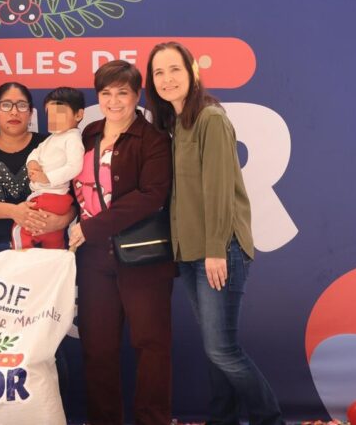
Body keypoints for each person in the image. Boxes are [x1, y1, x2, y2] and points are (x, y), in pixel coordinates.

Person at [145, 41, 284, 425]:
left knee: (223, 350)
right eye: (158, 73)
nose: (167, 79)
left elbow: (219, 191)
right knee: (214, 350)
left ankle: (270, 419)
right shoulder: (173, 125)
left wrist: (216, 250)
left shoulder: (210, 119)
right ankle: (222, 419)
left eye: (174, 69)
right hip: (190, 252)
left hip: (220, 250)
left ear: (193, 72)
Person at [67, 60, 175, 425]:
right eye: (106, 93)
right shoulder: (88, 134)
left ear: (137, 95)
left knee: (151, 345)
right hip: (94, 259)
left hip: (143, 257)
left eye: (122, 93)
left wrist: (93, 227)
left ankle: (153, 420)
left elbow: (152, 195)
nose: (113, 101)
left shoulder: (153, 138)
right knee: (98, 348)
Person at [0, 82, 74, 257]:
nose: (14, 112)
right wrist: (14, 212)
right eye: (6, 105)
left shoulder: (50, 145)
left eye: (21, 105)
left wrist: (61, 221)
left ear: (31, 113)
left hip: (46, 247)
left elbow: (75, 197)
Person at [11, 87, 85, 250]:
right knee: (53, 237)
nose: (53, 119)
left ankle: (20, 256)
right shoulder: (53, 138)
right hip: (49, 196)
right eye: (50, 114)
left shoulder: (72, 139)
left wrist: (47, 178)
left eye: (59, 113)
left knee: (22, 228)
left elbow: (75, 166)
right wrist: (32, 163)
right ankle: (55, 256)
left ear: (78, 115)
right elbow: (35, 153)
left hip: (51, 196)